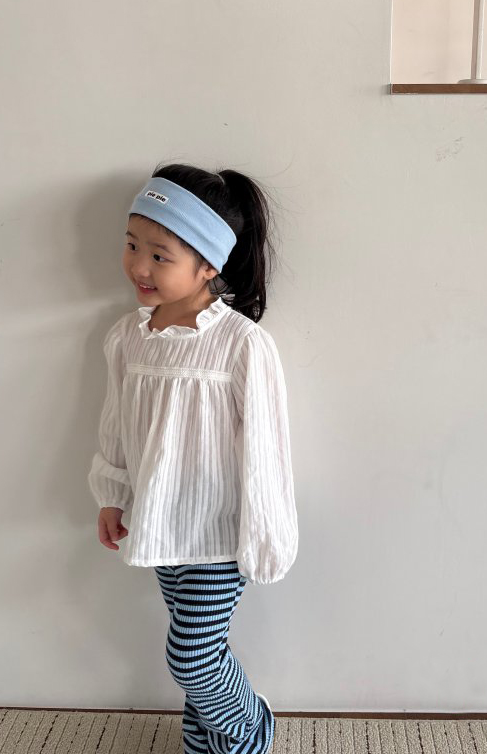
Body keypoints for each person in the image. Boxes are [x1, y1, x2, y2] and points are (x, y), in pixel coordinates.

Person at [88, 162, 299, 754]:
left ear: (208, 264)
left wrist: (266, 536)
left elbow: (267, 450)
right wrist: (113, 495)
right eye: (133, 245)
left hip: (219, 534)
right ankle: (203, 745)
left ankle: (252, 731)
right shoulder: (128, 337)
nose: (139, 267)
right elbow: (117, 423)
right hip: (160, 524)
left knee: (193, 658)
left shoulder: (241, 343)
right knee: (198, 649)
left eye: (160, 255)